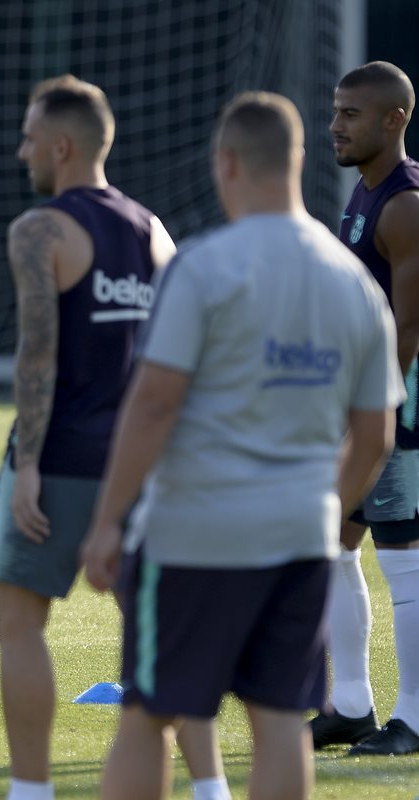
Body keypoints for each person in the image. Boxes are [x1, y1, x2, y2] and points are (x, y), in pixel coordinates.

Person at [81, 92, 400, 800]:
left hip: (192, 535)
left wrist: (106, 522)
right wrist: (323, 508)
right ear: (297, 162)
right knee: (280, 721)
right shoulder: (354, 284)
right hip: (299, 538)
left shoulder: (203, 265)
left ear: (227, 163)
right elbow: (374, 435)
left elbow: (153, 403)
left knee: (150, 715)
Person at [0, 75, 230, 800]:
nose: (22, 151)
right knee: (161, 633)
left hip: (60, 460)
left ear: (61, 146)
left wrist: (29, 463)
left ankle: (30, 791)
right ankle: (212, 788)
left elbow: (38, 355)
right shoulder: (154, 230)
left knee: (19, 621)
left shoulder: (39, 230)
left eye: (30, 137)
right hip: (143, 465)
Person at [312, 60, 419, 756]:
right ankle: (350, 704)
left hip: (398, 407)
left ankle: (414, 718)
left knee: (404, 561)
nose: (336, 125)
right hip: (362, 402)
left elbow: (409, 328)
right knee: (335, 543)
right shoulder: (366, 189)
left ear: (394, 119)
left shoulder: (406, 205)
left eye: (350, 113)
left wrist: (374, 415)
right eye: (335, 111)